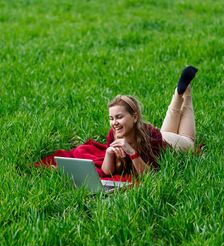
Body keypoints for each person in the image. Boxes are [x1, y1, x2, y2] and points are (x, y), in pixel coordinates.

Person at [35, 66, 198, 182]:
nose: (114, 123)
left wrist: (132, 153)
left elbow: (150, 174)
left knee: (188, 139)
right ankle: (178, 92)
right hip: (161, 134)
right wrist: (109, 153)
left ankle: (185, 94)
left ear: (135, 117)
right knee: (166, 128)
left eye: (119, 117)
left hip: (170, 143)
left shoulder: (150, 135)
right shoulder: (113, 134)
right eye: (111, 118)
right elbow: (107, 172)